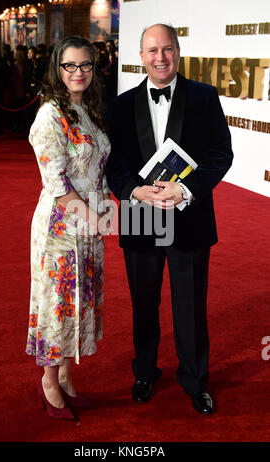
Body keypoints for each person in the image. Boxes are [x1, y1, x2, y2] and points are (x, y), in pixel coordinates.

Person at [105, 24, 233, 415]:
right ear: (141, 56)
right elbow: (114, 164)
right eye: (152, 50)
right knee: (144, 302)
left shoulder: (205, 97)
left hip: (190, 217)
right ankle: (144, 371)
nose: (160, 58)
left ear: (178, 52)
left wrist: (187, 188)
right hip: (141, 217)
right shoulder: (121, 105)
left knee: (191, 305)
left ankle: (195, 380)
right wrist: (133, 192)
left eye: (167, 50)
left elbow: (220, 154)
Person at [26, 36, 111, 420]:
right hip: (62, 228)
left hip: (89, 226)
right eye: (70, 66)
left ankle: (65, 375)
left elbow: (98, 168)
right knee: (58, 306)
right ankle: (48, 381)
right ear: (57, 70)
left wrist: (105, 207)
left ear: (95, 68)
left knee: (79, 303)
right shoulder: (49, 115)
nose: (78, 73)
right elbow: (57, 183)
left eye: (86, 66)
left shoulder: (87, 109)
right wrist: (94, 218)